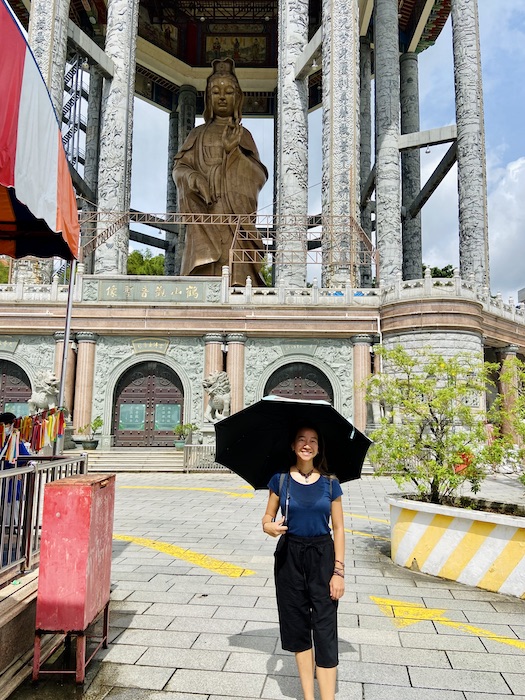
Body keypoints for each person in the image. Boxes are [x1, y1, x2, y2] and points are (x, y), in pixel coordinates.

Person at [262, 425, 345, 700]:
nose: (307, 445)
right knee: (298, 626)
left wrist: (338, 571)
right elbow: (267, 518)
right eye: (301, 439)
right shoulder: (280, 480)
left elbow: (339, 528)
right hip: (290, 557)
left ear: (318, 448)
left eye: (313, 441)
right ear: (293, 445)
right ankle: (309, 697)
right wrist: (269, 527)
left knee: (325, 628)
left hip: (322, 556)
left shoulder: (331, 483)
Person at [173, 58, 268, 286]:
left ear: (237, 98)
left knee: (235, 268)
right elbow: (179, 169)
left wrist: (233, 153)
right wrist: (193, 177)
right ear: (208, 98)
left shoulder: (243, 135)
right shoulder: (197, 134)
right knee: (204, 275)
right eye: (216, 92)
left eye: (228, 92)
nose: (222, 97)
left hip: (233, 214)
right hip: (204, 211)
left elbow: (258, 176)